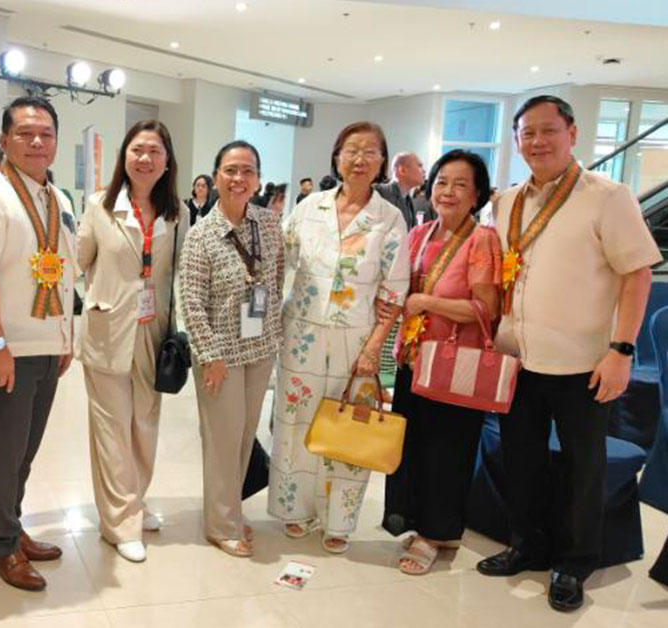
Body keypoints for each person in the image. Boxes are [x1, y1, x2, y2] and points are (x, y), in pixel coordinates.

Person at [477, 95, 660, 612]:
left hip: (583, 361)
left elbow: (637, 274)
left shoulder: (608, 196)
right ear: (517, 140)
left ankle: (575, 563)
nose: (537, 141)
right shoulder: (507, 201)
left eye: (548, 130)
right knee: (522, 459)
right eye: (527, 133)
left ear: (572, 134)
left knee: (583, 467)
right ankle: (527, 544)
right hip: (518, 356)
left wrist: (621, 350)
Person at [267, 121, 409, 554]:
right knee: (296, 420)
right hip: (301, 331)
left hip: (356, 339)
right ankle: (295, 509)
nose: (359, 159)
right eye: (351, 150)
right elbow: (279, 258)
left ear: (382, 162)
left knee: (349, 426)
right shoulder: (310, 207)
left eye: (370, 151)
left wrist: (375, 347)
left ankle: (339, 520)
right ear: (337, 157)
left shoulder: (389, 219)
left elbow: (394, 292)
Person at [0, 96, 77, 591]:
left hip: (46, 347)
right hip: (6, 351)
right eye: (25, 133)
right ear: (4, 140)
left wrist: (66, 337)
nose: (36, 142)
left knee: (25, 452)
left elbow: (63, 271)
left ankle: (13, 526)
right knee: (5, 452)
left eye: (46, 133)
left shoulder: (59, 200)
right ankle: (2, 546)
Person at [380, 149, 501, 575]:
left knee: (446, 449)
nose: (448, 191)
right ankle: (422, 524)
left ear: (477, 195)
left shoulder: (482, 240)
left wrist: (427, 302)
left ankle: (435, 533)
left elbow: (487, 309)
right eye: (442, 182)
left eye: (461, 184)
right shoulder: (420, 233)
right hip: (414, 360)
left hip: (454, 364)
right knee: (413, 444)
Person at [75, 120, 188, 563]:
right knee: (112, 428)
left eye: (155, 151)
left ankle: (133, 504)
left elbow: (175, 274)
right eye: (138, 149)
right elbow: (79, 262)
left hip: (154, 332)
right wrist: (101, 297)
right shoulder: (99, 206)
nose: (145, 159)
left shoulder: (177, 213)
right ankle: (120, 523)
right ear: (124, 156)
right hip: (108, 330)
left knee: (144, 424)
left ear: (167, 162)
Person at [180, 140, 284, 558]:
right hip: (220, 354)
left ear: (258, 179)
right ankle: (221, 525)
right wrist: (210, 356)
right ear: (215, 177)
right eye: (230, 170)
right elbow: (191, 301)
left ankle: (230, 511)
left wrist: (272, 334)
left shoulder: (268, 223)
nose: (239, 178)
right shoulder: (201, 235)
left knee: (243, 436)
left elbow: (275, 279)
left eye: (248, 171)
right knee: (222, 438)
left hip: (260, 346)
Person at [376, 152, 435, 230]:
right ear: (402, 170)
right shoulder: (379, 192)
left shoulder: (408, 201)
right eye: (419, 166)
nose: (424, 171)